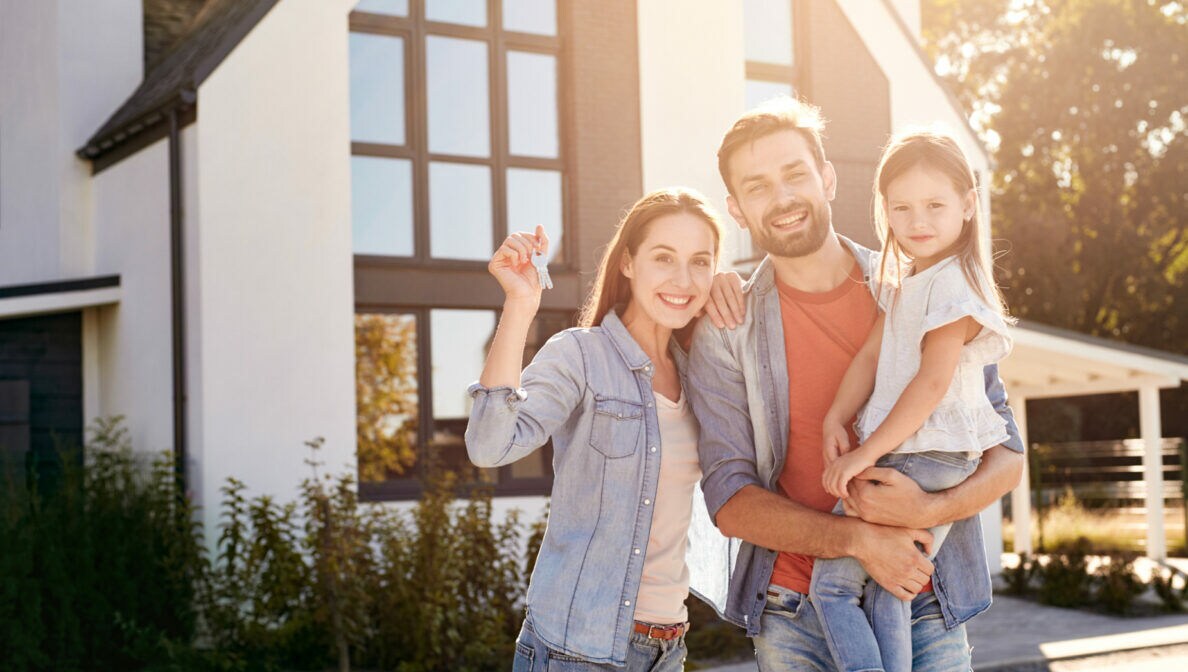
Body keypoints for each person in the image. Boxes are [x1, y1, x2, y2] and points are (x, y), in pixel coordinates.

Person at [686, 98, 1025, 671]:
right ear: (737, 209)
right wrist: (858, 540)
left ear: (828, 177)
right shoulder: (726, 326)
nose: (784, 197)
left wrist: (928, 507)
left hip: (924, 599)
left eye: (795, 173)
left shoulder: (921, 282)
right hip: (792, 611)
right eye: (758, 186)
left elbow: (1008, 457)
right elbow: (729, 500)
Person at [464, 188, 725, 671]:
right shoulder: (581, 355)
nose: (683, 279)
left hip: (669, 647)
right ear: (627, 262)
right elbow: (489, 445)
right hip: (577, 648)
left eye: (700, 262)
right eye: (663, 257)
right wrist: (521, 305)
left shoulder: (701, 373)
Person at [808, 130, 1014, 672]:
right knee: (888, 587)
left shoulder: (954, 287)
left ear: (968, 205)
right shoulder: (908, 283)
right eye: (901, 207)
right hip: (926, 452)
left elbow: (930, 384)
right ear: (885, 211)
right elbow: (870, 358)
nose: (917, 220)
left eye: (935, 205)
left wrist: (862, 454)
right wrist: (835, 415)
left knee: (831, 591)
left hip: (926, 454)